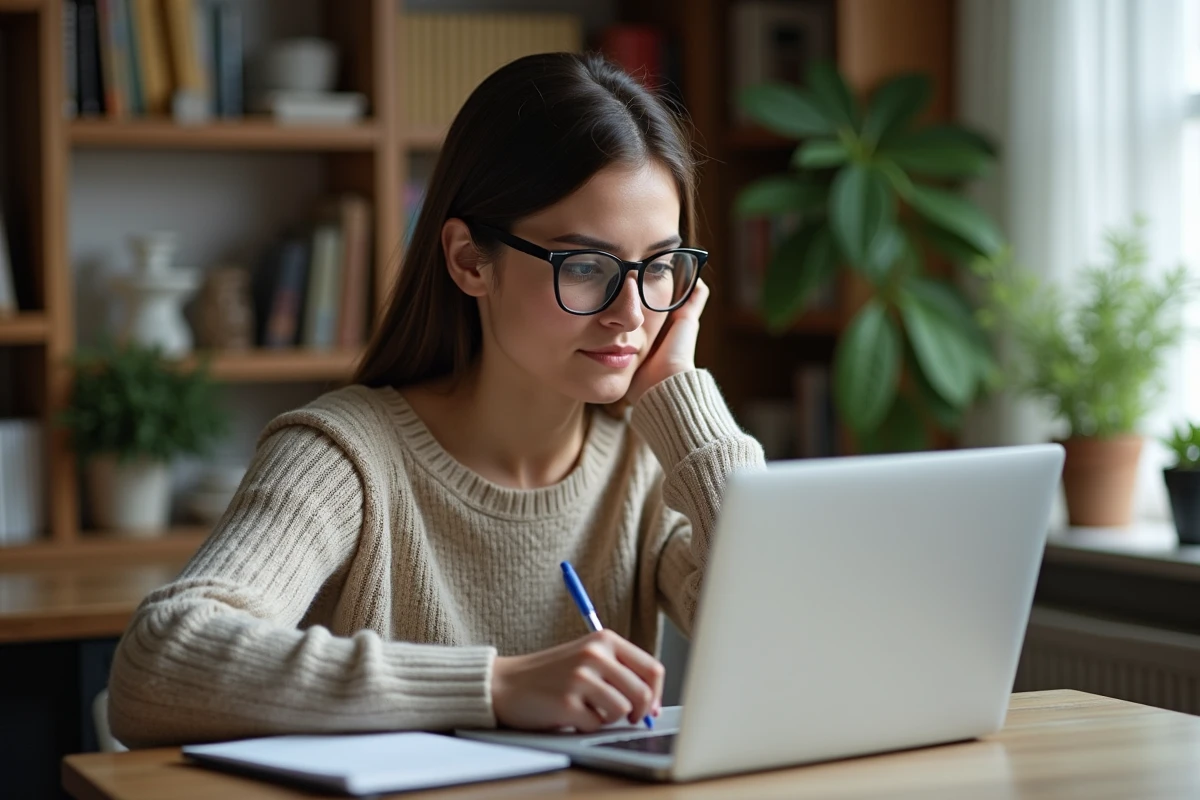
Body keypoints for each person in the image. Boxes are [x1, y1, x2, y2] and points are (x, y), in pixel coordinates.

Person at [107, 52, 765, 748]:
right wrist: (495, 687)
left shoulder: (646, 466)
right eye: (584, 265)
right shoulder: (344, 458)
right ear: (469, 260)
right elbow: (159, 664)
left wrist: (684, 400)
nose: (631, 314)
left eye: (660, 267)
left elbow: (792, 643)